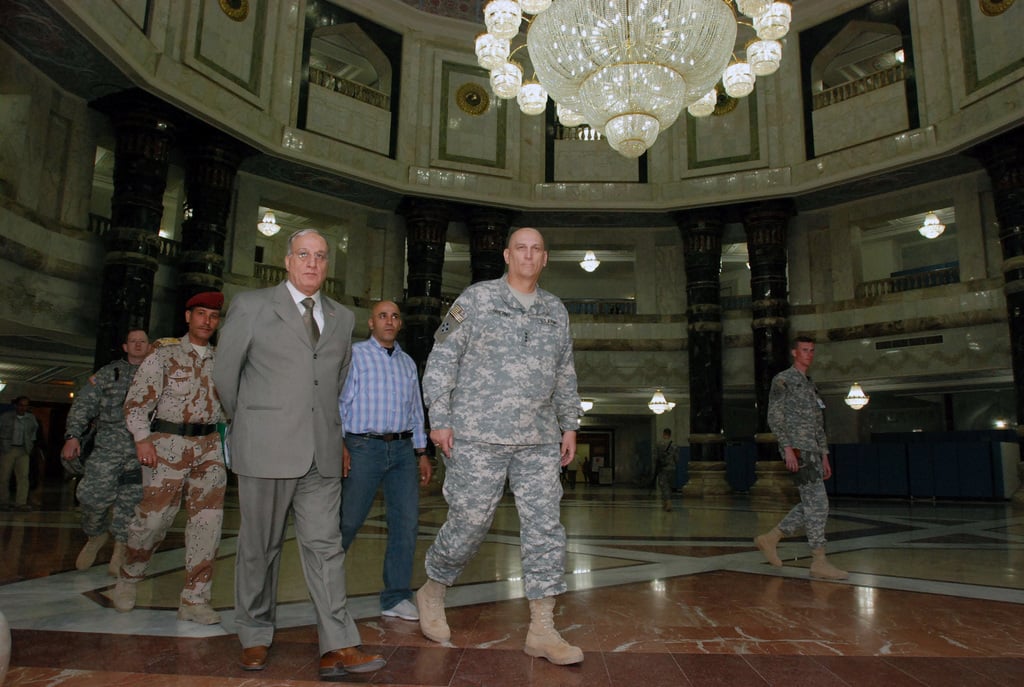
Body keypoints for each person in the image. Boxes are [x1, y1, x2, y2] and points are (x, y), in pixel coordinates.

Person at [213, 229, 385, 680]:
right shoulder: (251, 306)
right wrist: (252, 420)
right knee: (259, 548)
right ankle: (253, 633)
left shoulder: (344, 317)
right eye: (304, 255)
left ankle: (339, 644)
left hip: (322, 451)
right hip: (265, 447)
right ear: (287, 260)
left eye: (321, 257)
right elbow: (225, 374)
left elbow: (337, 379)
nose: (312, 263)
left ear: (328, 265)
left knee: (326, 548)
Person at [417, 227, 584, 666]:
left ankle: (543, 628)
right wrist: (440, 420)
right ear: (508, 255)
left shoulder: (555, 310)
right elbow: (441, 358)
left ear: (545, 259)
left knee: (546, 529)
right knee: (470, 522)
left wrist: (570, 425)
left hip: (538, 439)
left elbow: (565, 372)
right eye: (521, 249)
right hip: (477, 435)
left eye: (536, 250)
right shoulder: (473, 300)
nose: (528, 256)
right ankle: (433, 588)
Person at [113, 292, 228, 623]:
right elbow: (136, 403)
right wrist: (142, 439)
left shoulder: (222, 361)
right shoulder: (163, 356)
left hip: (208, 445)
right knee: (153, 521)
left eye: (213, 316)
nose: (207, 321)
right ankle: (130, 575)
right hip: (166, 444)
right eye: (201, 314)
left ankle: (194, 599)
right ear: (188, 316)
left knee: (207, 525)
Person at [339, 300, 432, 622]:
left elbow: (416, 412)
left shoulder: (407, 363)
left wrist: (421, 453)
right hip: (364, 446)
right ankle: (327, 593)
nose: (389, 321)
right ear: (371, 323)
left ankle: (395, 597)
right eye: (383, 316)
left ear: (400, 324)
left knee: (405, 524)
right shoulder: (356, 356)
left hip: (403, 452)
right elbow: (339, 402)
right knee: (348, 521)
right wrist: (340, 444)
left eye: (394, 316)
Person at [755, 336, 848, 581]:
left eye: (812, 351)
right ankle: (819, 560)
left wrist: (824, 455)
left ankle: (771, 538)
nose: (809, 354)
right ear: (794, 353)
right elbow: (774, 417)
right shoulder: (783, 379)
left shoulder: (810, 384)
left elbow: (819, 425)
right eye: (805, 350)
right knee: (819, 503)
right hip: (797, 449)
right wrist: (786, 448)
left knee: (811, 503)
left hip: (813, 452)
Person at [61, 328, 150, 574]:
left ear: (149, 346)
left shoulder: (158, 375)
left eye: (143, 341)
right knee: (90, 496)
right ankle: (96, 535)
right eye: (133, 341)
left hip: (141, 450)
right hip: (107, 447)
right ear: (125, 346)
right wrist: (72, 436)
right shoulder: (108, 373)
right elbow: (83, 405)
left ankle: (120, 547)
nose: (138, 345)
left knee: (130, 503)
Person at [0, 396, 39, 511]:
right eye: (21, 405)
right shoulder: (5, 417)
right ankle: (3, 501)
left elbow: (34, 432)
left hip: (23, 449)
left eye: (26, 405)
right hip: (8, 449)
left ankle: (21, 503)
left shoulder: (31, 418)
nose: (23, 408)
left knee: (23, 477)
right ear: (16, 405)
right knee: (4, 477)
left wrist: (31, 445)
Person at [654, 428, 676, 512]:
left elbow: (655, 457)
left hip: (662, 468)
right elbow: (677, 458)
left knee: (664, 486)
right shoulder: (674, 445)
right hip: (672, 468)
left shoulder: (659, 444)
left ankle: (667, 503)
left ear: (663, 434)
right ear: (670, 434)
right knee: (669, 486)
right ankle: (666, 503)